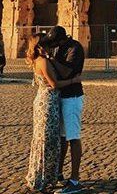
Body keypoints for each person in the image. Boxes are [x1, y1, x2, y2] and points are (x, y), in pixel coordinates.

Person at [25, 34, 81, 193]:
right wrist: (73, 81)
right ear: (40, 47)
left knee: (45, 140)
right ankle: (42, 177)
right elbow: (54, 84)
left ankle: (46, 175)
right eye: (48, 44)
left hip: (46, 101)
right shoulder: (43, 61)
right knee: (47, 141)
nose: (51, 47)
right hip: (48, 103)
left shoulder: (40, 60)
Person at [46, 26, 85, 194]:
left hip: (73, 97)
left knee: (73, 137)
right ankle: (59, 173)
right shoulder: (59, 48)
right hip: (61, 96)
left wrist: (51, 59)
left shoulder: (75, 48)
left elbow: (66, 72)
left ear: (61, 40)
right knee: (62, 138)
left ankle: (75, 180)